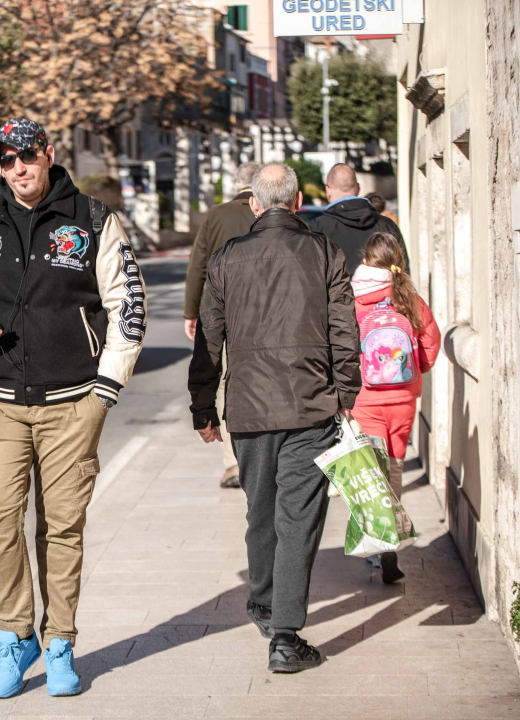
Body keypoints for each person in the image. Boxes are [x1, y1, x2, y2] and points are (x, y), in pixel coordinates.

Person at [0, 117, 146, 699]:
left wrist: (105, 391)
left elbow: (128, 305)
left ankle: (59, 643)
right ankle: (15, 635)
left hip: (73, 401)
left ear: (48, 153)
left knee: (61, 528)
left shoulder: (94, 220)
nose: (18, 168)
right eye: (5, 159)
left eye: (26, 155)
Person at [188, 163, 361, 673]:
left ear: (256, 205)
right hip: (310, 405)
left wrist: (202, 405)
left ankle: (263, 605)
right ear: (299, 203)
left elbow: (208, 340)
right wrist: (346, 392)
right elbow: (344, 330)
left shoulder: (225, 259)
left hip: (247, 409)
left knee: (260, 510)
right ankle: (285, 637)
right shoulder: (324, 253)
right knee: (298, 519)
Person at [351, 232, 441, 584]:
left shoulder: (354, 298)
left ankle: (380, 545)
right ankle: (391, 542)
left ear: (366, 259)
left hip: (366, 398)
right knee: (395, 468)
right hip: (403, 398)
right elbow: (430, 345)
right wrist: (414, 372)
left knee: (372, 473)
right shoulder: (410, 298)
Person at [184, 162, 262, 489]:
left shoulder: (216, 215)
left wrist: (191, 312)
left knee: (224, 382)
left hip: (222, 313)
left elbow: (198, 265)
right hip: (263, 314)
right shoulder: (270, 213)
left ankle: (233, 464)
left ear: (235, 185)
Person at [309, 164, 407, 274]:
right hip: (382, 290)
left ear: (328, 191)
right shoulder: (387, 225)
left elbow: (310, 278)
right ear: (358, 188)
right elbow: (403, 273)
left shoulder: (315, 229)